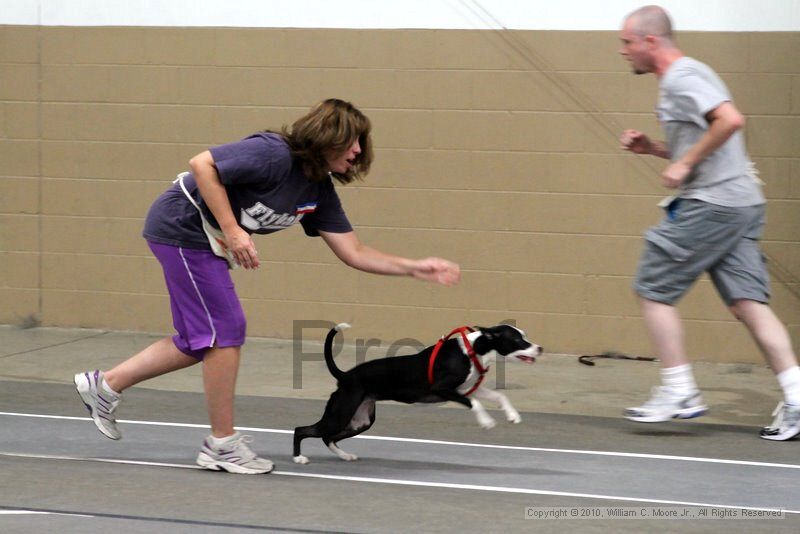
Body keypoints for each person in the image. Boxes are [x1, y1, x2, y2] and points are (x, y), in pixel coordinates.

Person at [74, 99, 461, 473]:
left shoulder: (318, 190)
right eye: (352, 141)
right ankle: (222, 446)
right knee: (226, 331)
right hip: (182, 226)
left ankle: (105, 386)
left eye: (362, 143)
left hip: (203, 241)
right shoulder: (273, 153)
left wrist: (414, 267)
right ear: (328, 137)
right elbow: (202, 164)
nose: (359, 151)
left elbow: (354, 251)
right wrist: (233, 229)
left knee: (202, 339)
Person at [618, 5, 799, 440]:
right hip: (738, 202)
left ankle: (679, 389)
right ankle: (798, 398)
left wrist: (684, 167)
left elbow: (731, 121)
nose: (623, 52)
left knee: (652, 288)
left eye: (626, 43)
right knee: (746, 303)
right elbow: (704, 141)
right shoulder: (678, 81)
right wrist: (655, 150)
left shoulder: (684, 76)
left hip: (714, 203)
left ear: (650, 42)